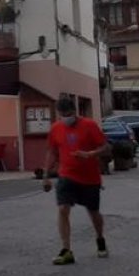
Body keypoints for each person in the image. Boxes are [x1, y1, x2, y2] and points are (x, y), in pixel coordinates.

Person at [44, 97, 110, 265]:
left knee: (93, 212)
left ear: (75, 111)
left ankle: (100, 238)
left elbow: (105, 147)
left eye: (69, 114)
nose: (66, 117)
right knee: (63, 209)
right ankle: (66, 250)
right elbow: (52, 151)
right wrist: (46, 175)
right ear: (59, 114)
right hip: (66, 175)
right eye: (63, 114)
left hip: (90, 178)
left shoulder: (89, 125)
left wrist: (90, 154)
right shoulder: (56, 128)